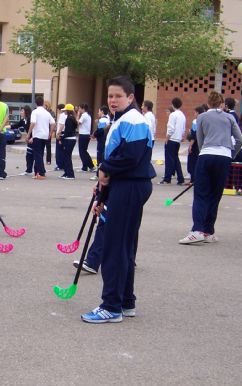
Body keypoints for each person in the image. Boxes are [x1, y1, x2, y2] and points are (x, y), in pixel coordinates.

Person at [81, 76, 155, 324]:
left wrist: (105, 169)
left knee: (115, 246)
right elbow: (115, 165)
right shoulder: (123, 119)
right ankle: (125, 301)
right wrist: (103, 192)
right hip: (125, 185)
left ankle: (111, 305)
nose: (112, 100)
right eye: (110, 96)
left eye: (118, 96)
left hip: (131, 186)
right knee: (124, 245)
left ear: (131, 97)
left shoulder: (134, 119)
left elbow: (129, 157)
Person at [179, 91, 242, 245]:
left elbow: (200, 139)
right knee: (215, 194)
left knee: (201, 194)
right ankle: (208, 231)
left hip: (207, 154)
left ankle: (197, 230)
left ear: (208, 103)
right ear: (222, 103)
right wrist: (231, 154)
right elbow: (239, 139)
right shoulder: (229, 117)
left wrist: (204, 152)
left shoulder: (201, 117)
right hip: (225, 156)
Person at [27, 96, 55, 180]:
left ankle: (41, 172)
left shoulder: (35, 112)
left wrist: (29, 134)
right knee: (40, 154)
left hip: (37, 135)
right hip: (45, 136)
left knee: (37, 155)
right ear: (43, 103)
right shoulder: (47, 113)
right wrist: (50, 133)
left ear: (36, 103)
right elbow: (53, 123)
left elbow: (33, 123)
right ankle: (36, 172)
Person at [160, 97, 186, 185]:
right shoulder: (182, 115)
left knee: (169, 159)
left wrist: (167, 138)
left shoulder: (173, 115)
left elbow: (171, 128)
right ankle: (180, 178)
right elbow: (183, 128)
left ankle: (167, 178)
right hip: (178, 139)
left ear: (172, 104)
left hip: (171, 139)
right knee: (175, 159)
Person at [12, 105, 33, 176]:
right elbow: (15, 125)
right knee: (29, 155)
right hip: (29, 139)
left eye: (22, 111)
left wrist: (32, 138)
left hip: (35, 139)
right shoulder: (23, 120)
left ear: (26, 112)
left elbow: (36, 129)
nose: (20, 112)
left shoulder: (31, 119)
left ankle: (39, 171)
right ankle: (29, 170)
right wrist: (3, 127)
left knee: (36, 155)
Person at [187, 106, 205, 183]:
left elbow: (194, 135)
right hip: (202, 143)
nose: (194, 114)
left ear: (198, 113)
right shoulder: (204, 120)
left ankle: (193, 179)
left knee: (192, 161)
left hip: (195, 144)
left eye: (195, 112)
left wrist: (190, 145)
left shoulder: (195, 121)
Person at [59, 103, 78, 180]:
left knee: (67, 157)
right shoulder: (72, 118)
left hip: (69, 140)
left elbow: (68, 131)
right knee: (66, 156)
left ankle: (70, 174)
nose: (64, 112)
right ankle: (66, 173)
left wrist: (62, 137)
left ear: (68, 111)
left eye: (65, 110)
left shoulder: (69, 119)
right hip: (71, 139)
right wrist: (63, 134)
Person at [77, 103, 94, 172]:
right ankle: (87, 166)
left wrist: (78, 115)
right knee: (84, 151)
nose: (79, 109)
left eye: (79, 108)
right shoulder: (88, 115)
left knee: (82, 152)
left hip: (83, 135)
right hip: (87, 134)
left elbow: (78, 122)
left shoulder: (84, 115)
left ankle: (88, 166)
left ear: (82, 108)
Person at [54, 103, 66, 171]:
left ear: (60, 109)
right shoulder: (66, 115)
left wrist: (58, 133)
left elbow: (61, 125)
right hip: (64, 134)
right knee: (62, 150)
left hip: (60, 133)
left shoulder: (62, 115)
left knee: (59, 150)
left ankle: (59, 165)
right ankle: (63, 164)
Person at [44, 100, 55, 165]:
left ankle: (48, 160)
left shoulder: (51, 113)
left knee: (48, 146)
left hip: (48, 130)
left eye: (45, 105)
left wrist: (51, 132)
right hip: (43, 130)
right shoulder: (42, 112)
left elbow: (53, 122)